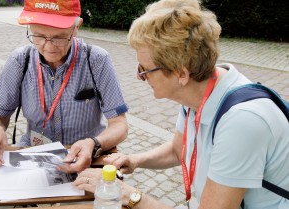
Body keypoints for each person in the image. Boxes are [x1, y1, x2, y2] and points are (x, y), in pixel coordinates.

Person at [73, 0, 289, 208]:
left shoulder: (242, 122)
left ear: (180, 74)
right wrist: (134, 159)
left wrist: (132, 197)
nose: (139, 77)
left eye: (144, 70)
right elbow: (178, 150)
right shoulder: (198, 91)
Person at [0, 0, 129, 173]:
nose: (49, 47)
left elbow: (119, 124)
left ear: (77, 27)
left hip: (85, 158)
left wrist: (93, 144)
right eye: (39, 36)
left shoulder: (97, 60)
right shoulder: (19, 60)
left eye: (59, 37)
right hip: (34, 155)